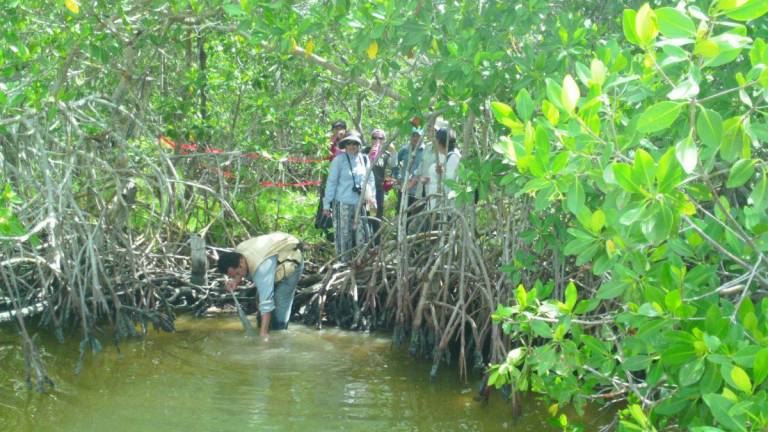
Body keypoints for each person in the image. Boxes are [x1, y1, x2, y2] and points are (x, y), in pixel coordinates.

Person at [217, 232, 304, 341]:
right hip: (272, 258)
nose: (235, 276)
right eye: (231, 275)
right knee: (260, 301)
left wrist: (263, 334)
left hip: (291, 257)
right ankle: (263, 327)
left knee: (280, 305)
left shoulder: (261, 269)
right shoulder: (239, 253)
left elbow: (266, 303)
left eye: (237, 274)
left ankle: (280, 336)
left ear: (241, 264)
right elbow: (239, 271)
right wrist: (235, 281)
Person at [322, 131, 376, 263]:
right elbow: (331, 183)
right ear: (345, 145)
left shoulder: (364, 159)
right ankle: (343, 264)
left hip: (360, 204)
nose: (352, 146)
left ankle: (362, 263)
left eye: (355, 143)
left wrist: (372, 197)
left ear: (359, 145)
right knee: (343, 236)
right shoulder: (338, 161)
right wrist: (326, 204)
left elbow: (370, 180)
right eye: (349, 143)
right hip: (343, 203)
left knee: (363, 235)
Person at [366, 128, 396, 244]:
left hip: (379, 189)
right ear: (371, 139)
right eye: (375, 137)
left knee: (377, 216)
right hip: (366, 189)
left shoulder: (385, 154)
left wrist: (393, 152)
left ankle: (376, 244)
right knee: (367, 215)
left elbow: (394, 165)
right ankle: (365, 241)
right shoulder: (365, 150)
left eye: (381, 138)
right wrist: (369, 155)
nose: (377, 140)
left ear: (384, 140)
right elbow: (361, 166)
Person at [424, 128, 461, 211]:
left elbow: (452, 183)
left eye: (436, 140)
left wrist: (442, 173)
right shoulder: (443, 156)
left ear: (440, 142)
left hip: (443, 209)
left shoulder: (454, 158)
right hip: (434, 206)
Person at [394, 127, 426, 221]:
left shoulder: (426, 151)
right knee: (402, 216)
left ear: (422, 137)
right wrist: (398, 177)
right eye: (413, 135)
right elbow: (395, 163)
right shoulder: (404, 150)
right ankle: (400, 235)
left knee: (415, 218)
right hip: (404, 189)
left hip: (419, 191)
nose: (415, 138)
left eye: (418, 136)